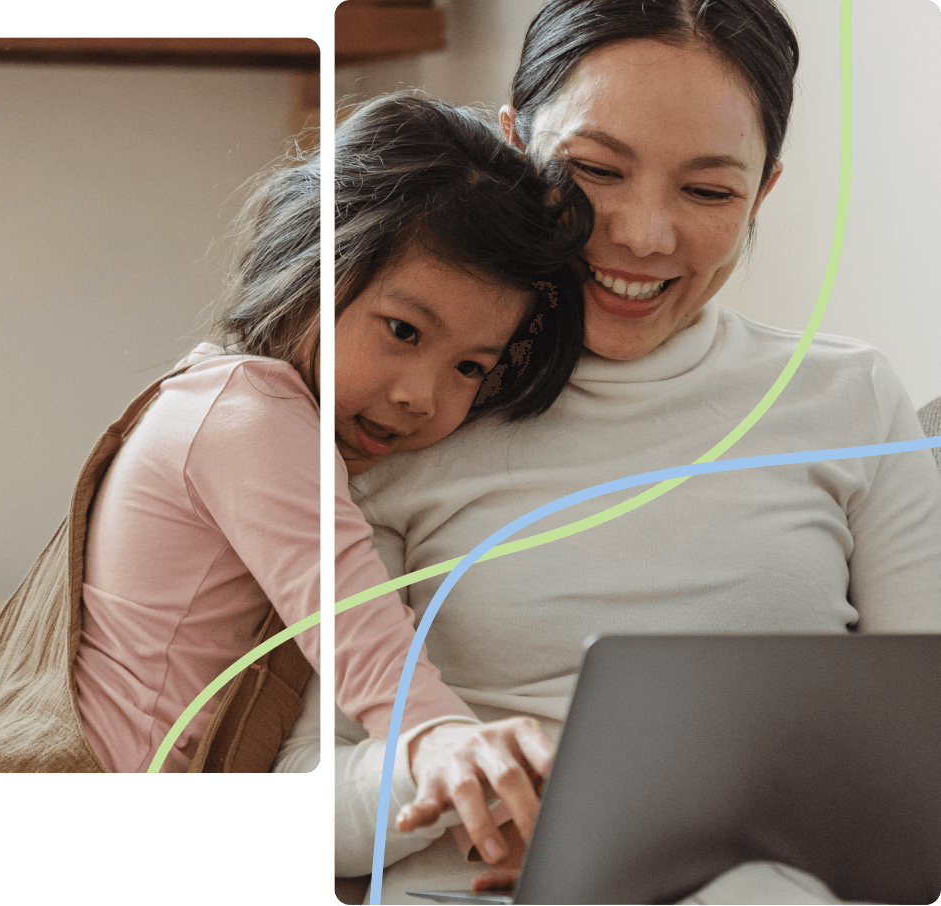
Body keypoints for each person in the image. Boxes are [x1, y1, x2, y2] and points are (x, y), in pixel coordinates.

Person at [332, 0, 941, 901]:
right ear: (511, 148)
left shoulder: (849, 398)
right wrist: (450, 773)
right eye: (591, 171)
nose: (639, 235)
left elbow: (922, 744)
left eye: (706, 191)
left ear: (762, 192)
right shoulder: (407, 407)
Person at [73, 92, 594, 772]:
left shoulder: (225, 398)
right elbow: (357, 632)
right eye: (403, 330)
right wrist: (449, 742)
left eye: (469, 366)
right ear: (316, 260)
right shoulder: (251, 416)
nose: (419, 396)